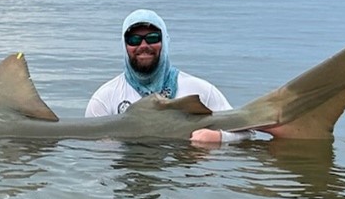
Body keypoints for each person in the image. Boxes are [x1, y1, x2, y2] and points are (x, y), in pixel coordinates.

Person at [85, 10, 245, 144]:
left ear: (165, 41)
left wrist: (219, 138)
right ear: (125, 45)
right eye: (134, 40)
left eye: (153, 38)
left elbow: (247, 133)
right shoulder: (104, 99)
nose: (143, 46)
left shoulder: (201, 90)